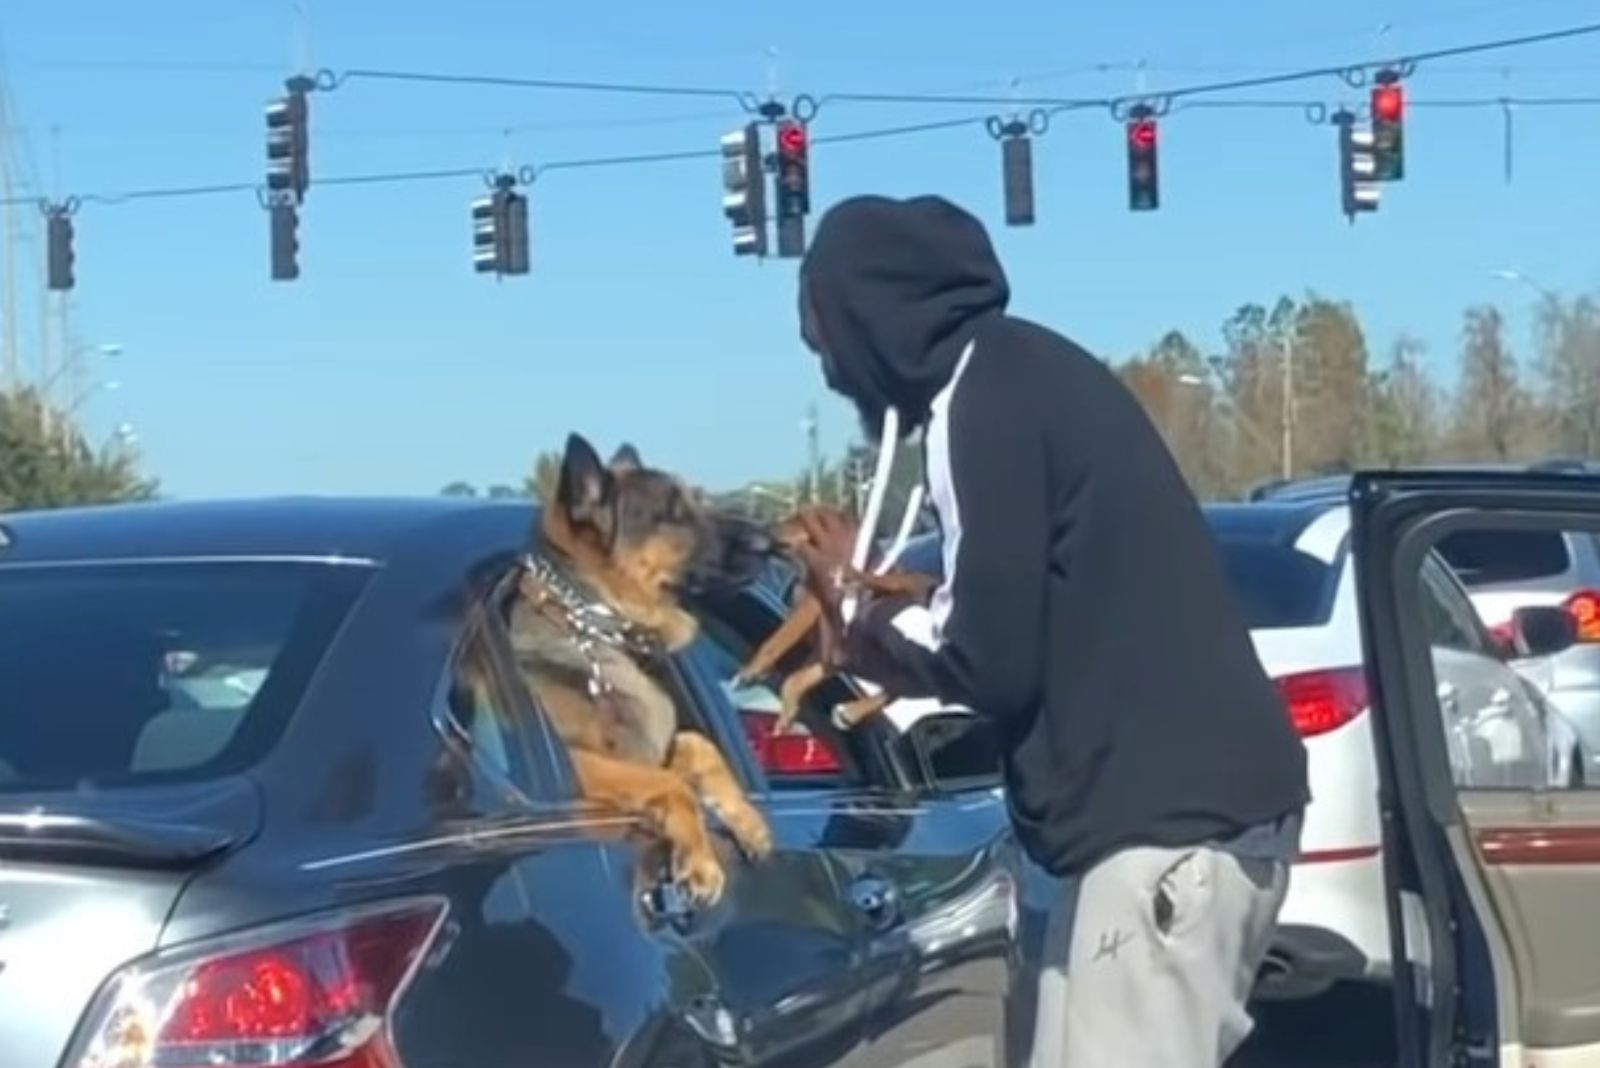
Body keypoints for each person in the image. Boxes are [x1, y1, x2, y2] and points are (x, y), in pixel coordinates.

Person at [791, 193, 1310, 1068]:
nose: (828, 369)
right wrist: (889, 618)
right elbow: (1020, 613)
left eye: (825, 339)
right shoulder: (1021, 374)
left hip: (1165, 833)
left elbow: (986, 658)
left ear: (871, 319)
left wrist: (856, 606)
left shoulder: (980, 399)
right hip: (1161, 827)